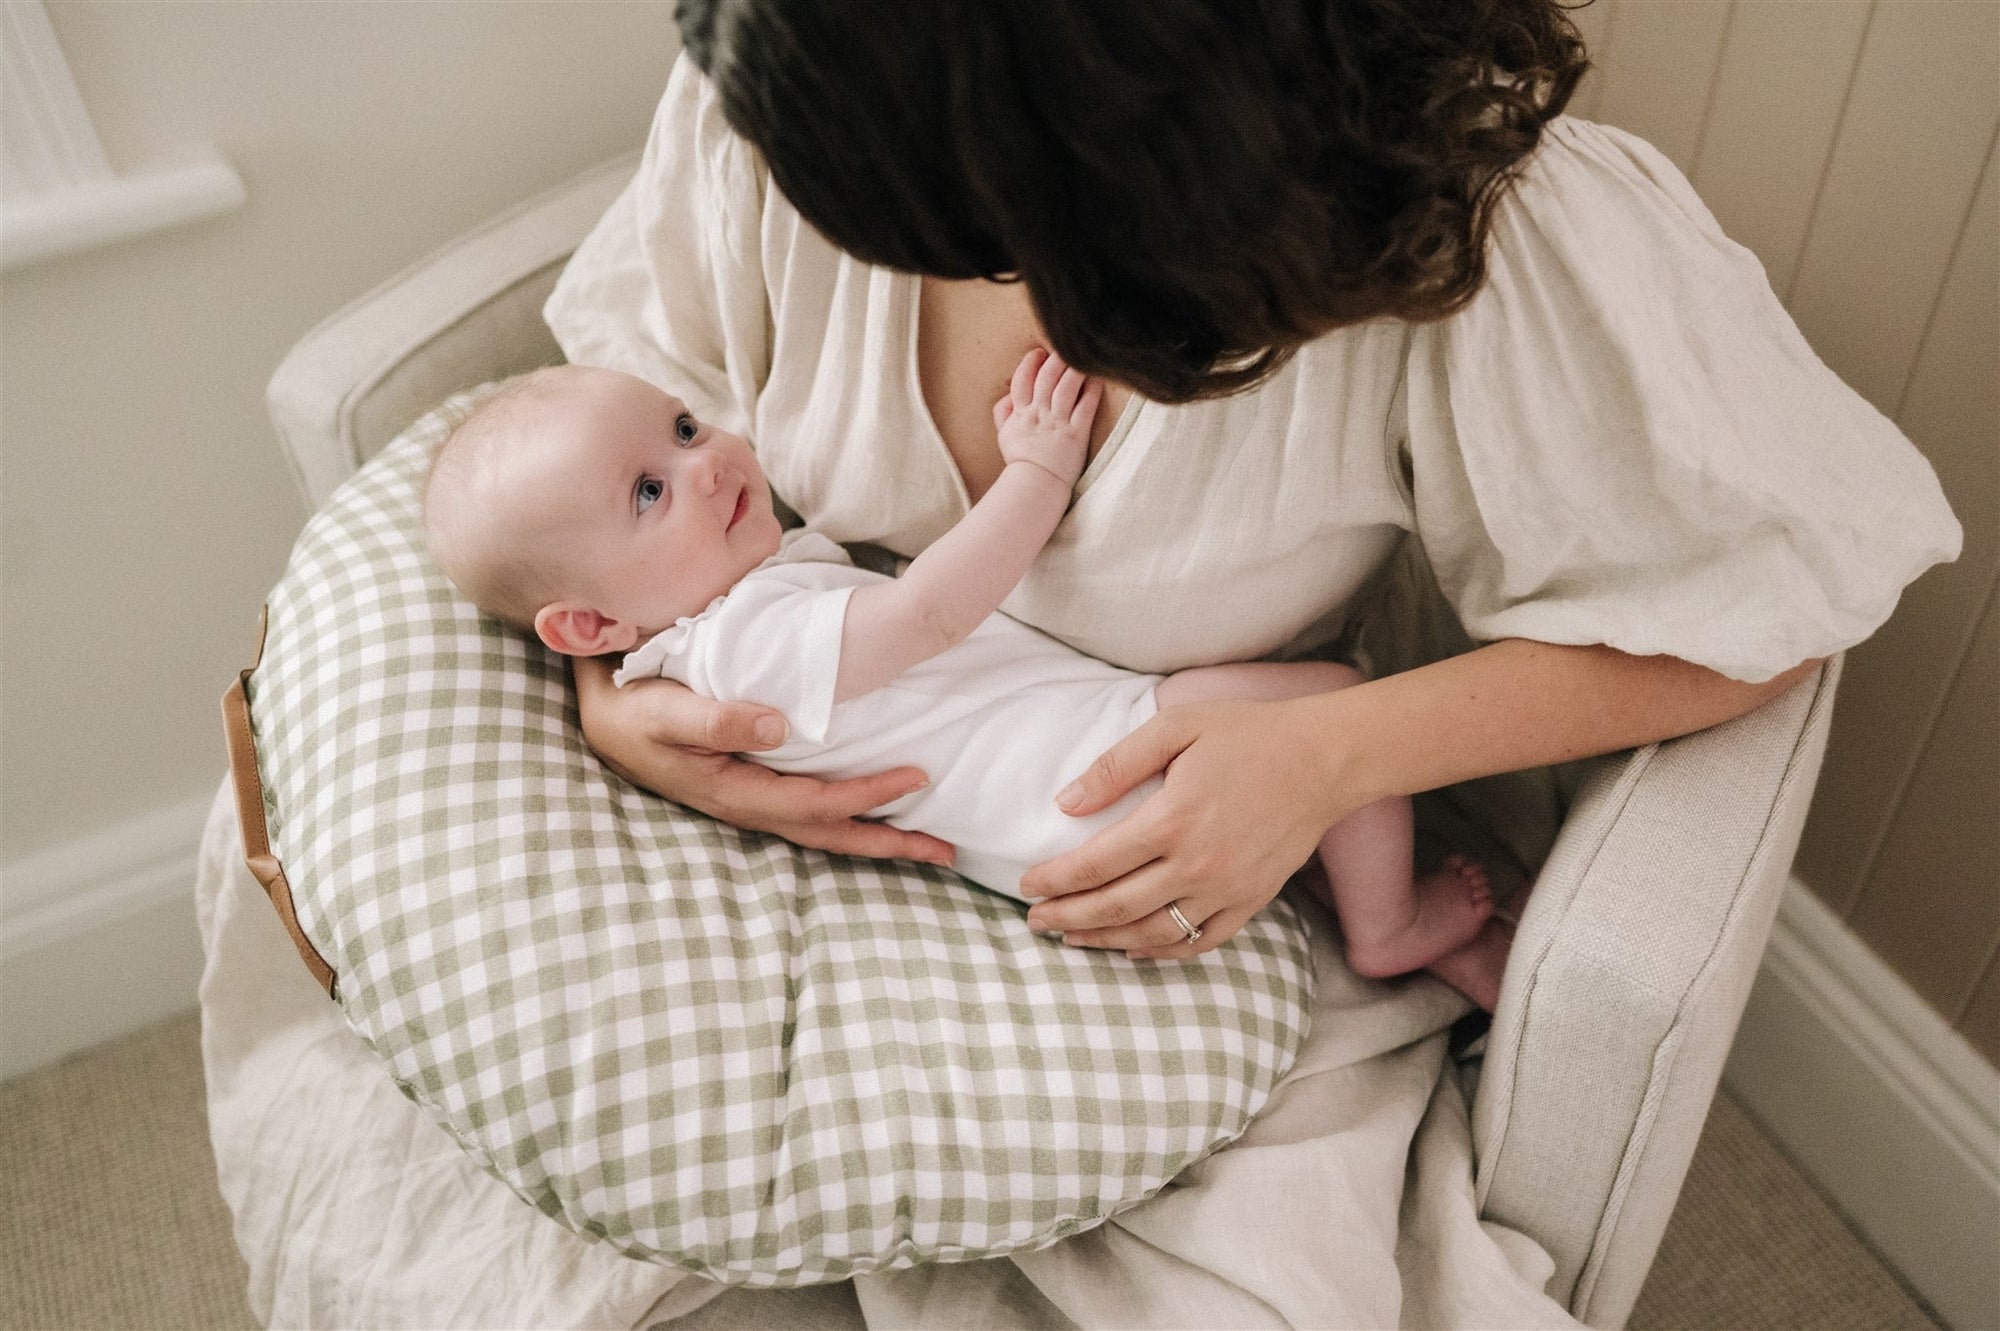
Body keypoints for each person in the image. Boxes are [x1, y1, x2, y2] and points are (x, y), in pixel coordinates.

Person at [547, 1, 1959, 973]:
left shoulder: (1490, 246)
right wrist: (633, 707)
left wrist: (1329, 755)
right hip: (893, 843)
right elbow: (607, 448)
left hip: (1226, 870)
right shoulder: (802, 88)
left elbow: (1767, 605)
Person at [424, 354, 1507, 1003]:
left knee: (1284, 733)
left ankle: (1337, 876)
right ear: (591, 623)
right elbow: (931, 611)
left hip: (1061, 809)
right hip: (1093, 779)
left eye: (683, 425)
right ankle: (1387, 926)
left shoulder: (708, 627)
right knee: (1326, 701)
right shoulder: (738, 647)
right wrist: (1037, 468)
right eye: (650, 491)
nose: (707, 461)